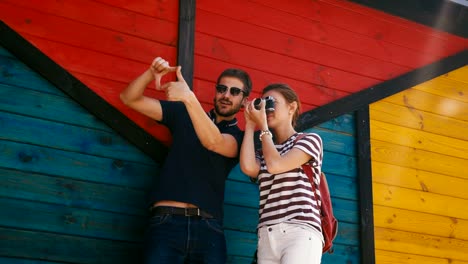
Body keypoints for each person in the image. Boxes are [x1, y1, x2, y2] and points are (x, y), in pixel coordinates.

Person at [120, 57, 252, 263]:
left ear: (244, 101)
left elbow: (214, 142)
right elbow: (129, 98)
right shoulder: (183, 112)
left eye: (235, 92)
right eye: (222, 89)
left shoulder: (240, 138)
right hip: (166, 222)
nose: (226, 95)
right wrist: (150, 73)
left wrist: (189, 98)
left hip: (209, 229)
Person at [240, 83, 324, 264]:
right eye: (262, 104)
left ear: (291, 107)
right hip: (267, 234)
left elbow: (276, 165)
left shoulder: (309, 140)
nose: (266, 109)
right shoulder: (265, 151)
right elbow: (248, 167)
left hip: (299, 231)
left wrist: (262, 127)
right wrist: (249, 124)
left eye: (271, 103)